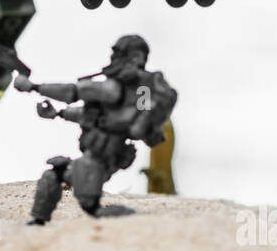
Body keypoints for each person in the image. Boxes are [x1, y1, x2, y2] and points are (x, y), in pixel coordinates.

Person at [20, 34, 176, 224]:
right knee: (53, 176)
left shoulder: (124, 89)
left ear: (135, 57)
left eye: (119, 54)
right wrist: (58, 114)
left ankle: (137, 221)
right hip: (94, 155)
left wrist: (34, 87)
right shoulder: (127, 92)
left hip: (100, 158)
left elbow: (74, 92)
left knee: (90, 205)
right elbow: (90, 115)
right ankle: (37, 220)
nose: (114, 59)